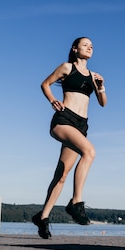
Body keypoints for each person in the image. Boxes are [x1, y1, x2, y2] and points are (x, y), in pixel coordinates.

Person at [32, 37, 107, 239]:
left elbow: (103, 103)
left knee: (62, 174)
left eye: (92, 45)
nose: (90, 47)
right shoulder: (67, 67)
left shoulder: (93, 76)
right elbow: (45, 84)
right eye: (85, 44)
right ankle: (76, 202)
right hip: (64, 120)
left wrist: (101, 86)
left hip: (81, 126)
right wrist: (52, 100)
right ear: (75, 49)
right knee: (89, 152)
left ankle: (43, 217)